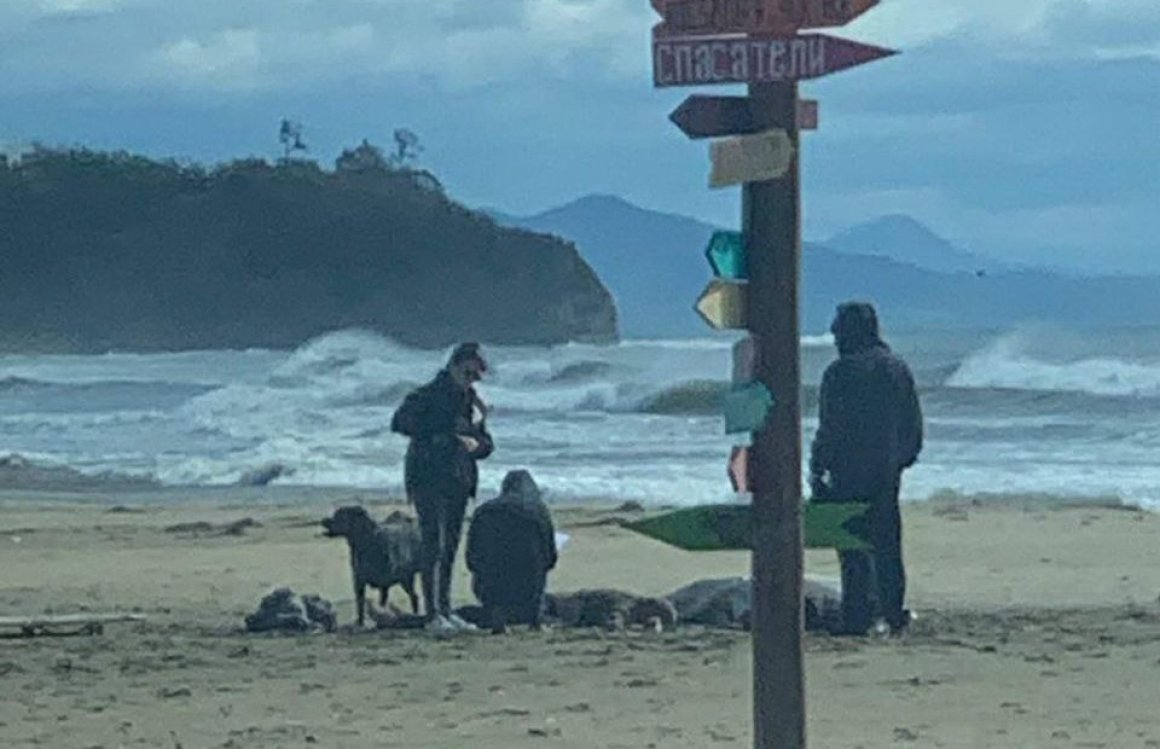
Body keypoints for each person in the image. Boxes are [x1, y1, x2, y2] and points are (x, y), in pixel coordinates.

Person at [809, 302, 923, 636]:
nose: (833, 334)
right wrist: (899, 462)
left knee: (853, 548)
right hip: (886, 474)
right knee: (888, 547)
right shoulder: (896, 368)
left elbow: (829, 429)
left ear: (852, 330)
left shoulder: (839, 372)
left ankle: (859, 615)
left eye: (838, 327)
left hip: (848, 474)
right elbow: (913, 428)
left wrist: (818, 470)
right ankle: (892, 613)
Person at [391, 342, 494, 633]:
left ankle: (446, 610)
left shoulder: (472, 403)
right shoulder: (428, 394)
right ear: (454, 365)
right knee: (432, 544)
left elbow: (487, 443)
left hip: (459, 479)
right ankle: (433, 614)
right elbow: (399, 422)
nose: (471, 379)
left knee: (450, 547)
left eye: (476, 375)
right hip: (427, 476)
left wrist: (476, 446)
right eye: (468, 372)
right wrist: (445, 434)